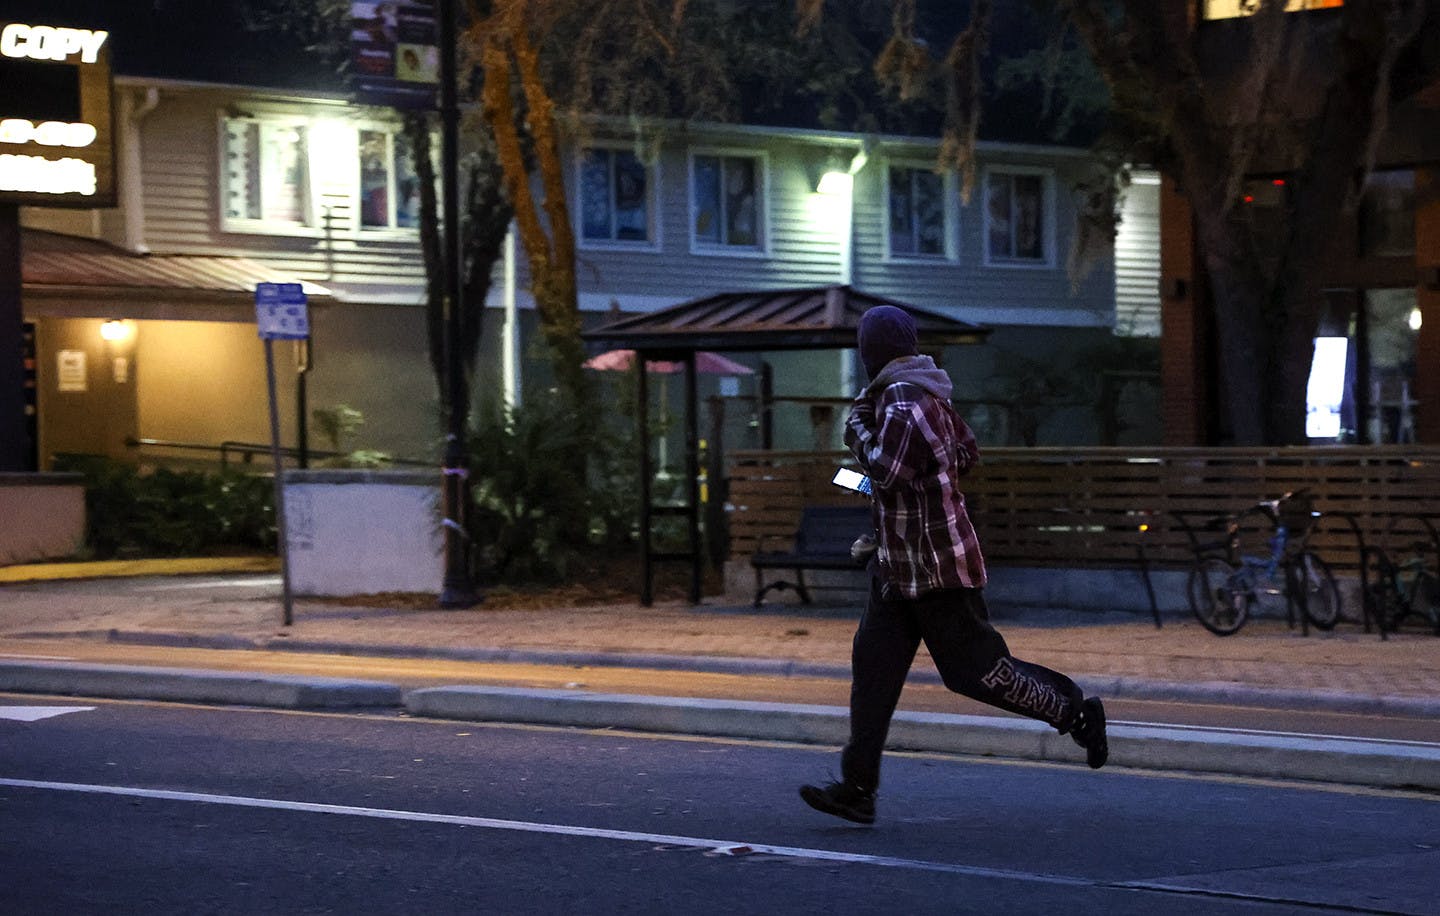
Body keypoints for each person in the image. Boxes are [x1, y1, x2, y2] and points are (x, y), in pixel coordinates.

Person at [799, 306, 1109, 826]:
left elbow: (888, 471)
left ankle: (1075, 712)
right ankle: (857, 789)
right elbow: (963, 453)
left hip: (938, 570)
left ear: (871, 350)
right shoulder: (924, 390)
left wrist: (854, 433)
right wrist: (864, 485)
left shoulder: (900, 397)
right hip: (899, 569)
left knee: (979, 674)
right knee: (873, 674)